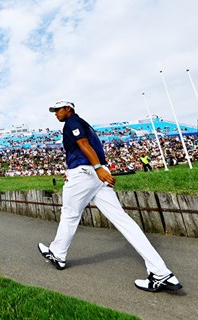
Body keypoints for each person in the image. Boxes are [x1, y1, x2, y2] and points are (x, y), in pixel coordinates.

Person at [37, 100, 182, 293]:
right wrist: (95, 169)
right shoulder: (84, 123)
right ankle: (161, 273)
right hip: (93, 173)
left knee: (70, 214)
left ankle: (58, 253)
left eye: (58, 110)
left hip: (87, 173)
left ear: (68, 109)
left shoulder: (71, 122)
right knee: (123, 221)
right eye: (54, 110)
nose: (55, 113)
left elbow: (82, 144)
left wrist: (94, 169)